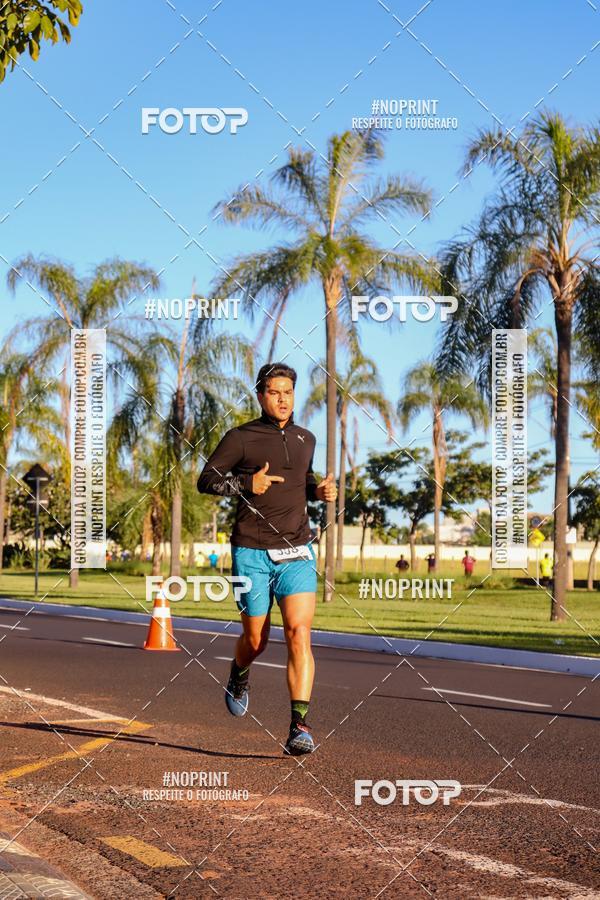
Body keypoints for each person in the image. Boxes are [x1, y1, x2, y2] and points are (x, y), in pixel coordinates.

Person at [197, 362, 336, 756]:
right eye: (274, 392)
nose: (282, 399)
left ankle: (299, 725)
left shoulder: (306, 438)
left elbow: (300, 484)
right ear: (260, 395)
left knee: (299, 631)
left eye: (288, 392)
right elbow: (206, 479)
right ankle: (239, 673)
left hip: (297, 550)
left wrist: (318, 491)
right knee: (256, 639)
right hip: (251, 551)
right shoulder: (240, 438)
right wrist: (246, 482)